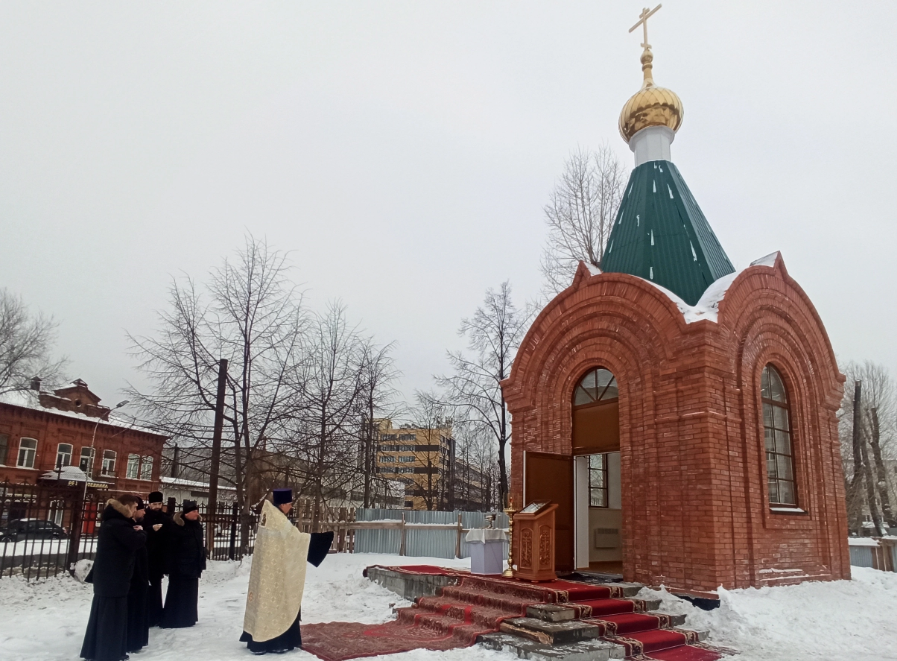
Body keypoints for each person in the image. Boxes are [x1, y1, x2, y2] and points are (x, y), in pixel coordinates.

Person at [240, 488, 334, 655]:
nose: (291, 507)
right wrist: (322, 539)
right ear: (282, 504)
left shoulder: (267, 516)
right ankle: (278, 643)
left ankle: (258, 640)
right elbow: (295, 541)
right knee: (281, 602)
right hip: (277, 574)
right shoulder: (279, 520)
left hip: (266, 572)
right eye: (289, 504)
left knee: (265, 602)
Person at [80, 494, 147, 661]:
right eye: (134, 507)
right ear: (126, 507)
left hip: (108, 578)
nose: (135, 511)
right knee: (112, 618)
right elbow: (135, 542)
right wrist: (142, 532)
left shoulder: (112, 522)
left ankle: (99, 651)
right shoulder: (119, 524)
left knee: (104, 616)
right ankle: (109, 653)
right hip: (114, 578)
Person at [160, 500, 205, 629]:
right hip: (179, 566)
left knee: (191, 593)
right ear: (186, 513)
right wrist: (170, 566)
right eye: (194, 511)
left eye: (197, 511)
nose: (197, 513)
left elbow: (200, 545)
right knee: (178, 593)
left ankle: (189, 618)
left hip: (193, 565)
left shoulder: (197, 526)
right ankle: (175, 619)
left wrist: (201, 561)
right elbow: (170, 548)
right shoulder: (177, 527)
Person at [142, 491, 170, 626]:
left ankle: (156, 615)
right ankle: (145, 616)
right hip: (146, 557)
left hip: (159, 558)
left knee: (156, 587)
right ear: (149, 504)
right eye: (154, 504)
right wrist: (151, 529)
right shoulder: (144, 517)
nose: (157, 507)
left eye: (159, 504)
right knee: (145, 587)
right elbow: (139, 532)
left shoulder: (165, 518)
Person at [126, 498, 150, 653]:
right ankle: (131, 641)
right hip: (133, 576)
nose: (144, 512)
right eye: (140, 509)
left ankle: (136, 640)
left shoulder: (136, 526)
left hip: (139, 574)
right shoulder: (127, 527)